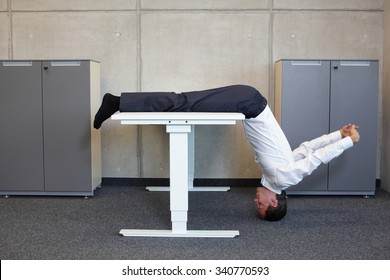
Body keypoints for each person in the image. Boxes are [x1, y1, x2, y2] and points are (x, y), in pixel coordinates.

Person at [94, 85, 360, 221]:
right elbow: (316, 158)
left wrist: (338, 133)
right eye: (261, 206)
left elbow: (307, 148)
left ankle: (120, 101)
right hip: (248, 102)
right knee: (182, 103)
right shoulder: (284, 180)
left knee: (183, 103)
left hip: (249, 101)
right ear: (275, 202)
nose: (256, 202)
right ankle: (117, 102)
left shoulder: (276, 176)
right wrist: (348, 143)